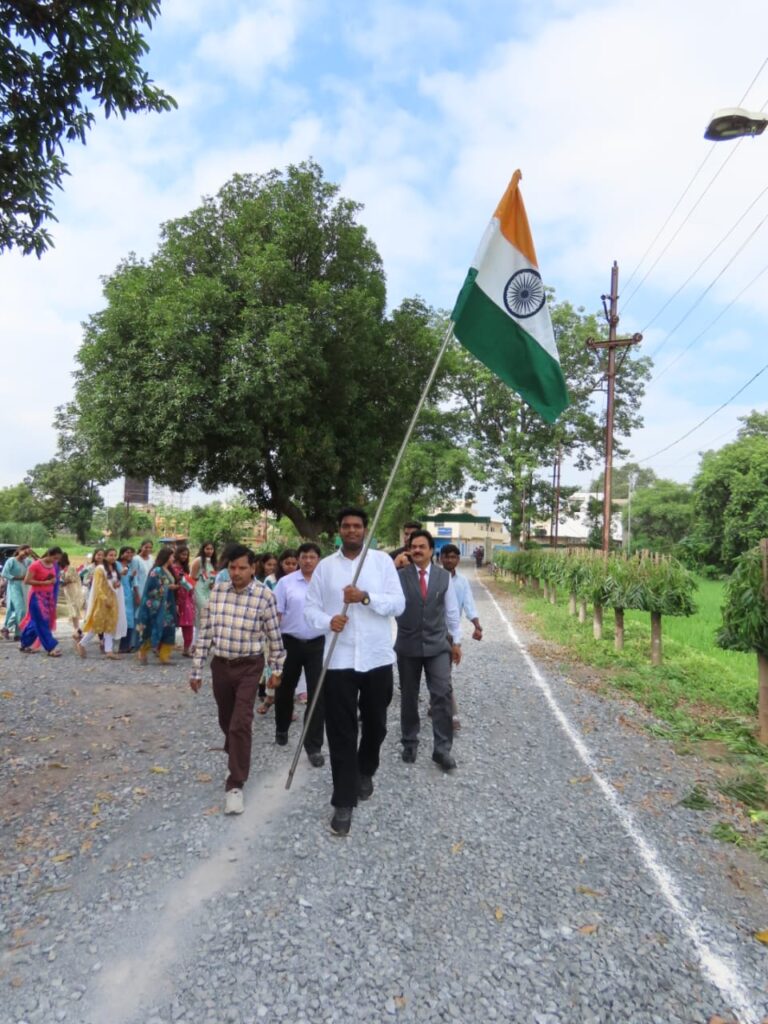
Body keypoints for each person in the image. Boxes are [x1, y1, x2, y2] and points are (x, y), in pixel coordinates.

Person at [304, 507, 405, 837]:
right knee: (341, 732)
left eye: (357, 526)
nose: (351, 530)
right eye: (346, 526)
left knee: (376, 725)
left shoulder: (381, 562)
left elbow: (398, 604)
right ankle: (343, 800)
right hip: (339, 659)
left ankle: (366, 769)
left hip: (376, 657)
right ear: (339, 530)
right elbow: (310, 608)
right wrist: (327, 621)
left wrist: (365, 598)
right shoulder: (325, 568)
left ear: (365, 530)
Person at [189, 545, 285, 815]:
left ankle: (235, 783)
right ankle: (235, 752)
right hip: (221, 665)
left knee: (240, 723)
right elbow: (206, 633)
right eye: (232, 567)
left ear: (253, 568)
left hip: (249, 667)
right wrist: (196, 670)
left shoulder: (265, 596)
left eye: (243, 567)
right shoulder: (218, 591)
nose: (237, 572)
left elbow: (275, 638)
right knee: (226, 720)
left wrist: (276, 671)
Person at [395, 529, 462, 771]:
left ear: (431, 550)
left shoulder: (443, 577)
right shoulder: (399, 576)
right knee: (409, 696)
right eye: (414, 547)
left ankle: (442, 749)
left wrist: (457, 642)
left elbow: (451, 611)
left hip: (437, 645)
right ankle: (409, 742)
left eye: (422, 546)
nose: (417, 550)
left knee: (442, 692)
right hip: (408, 645)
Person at [272, 542, 326, 764]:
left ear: (318, 560)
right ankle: (282, 727)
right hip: (290, 642)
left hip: (318, 644)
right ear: (298, 559)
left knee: (317, 693)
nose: (308, 561)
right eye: (304, 557)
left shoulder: (325, 583)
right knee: (285, 688)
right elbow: (276, 613)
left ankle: (313, 745)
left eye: (312, 557)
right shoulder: (285, 583)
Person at [438, 544, 483, 730]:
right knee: (440, 674)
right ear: (440, 558)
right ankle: (439, 706)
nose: (449, 560)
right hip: (432, 632)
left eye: (453, 557)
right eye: (446, 556)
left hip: (451, 636)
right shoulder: (434, 577)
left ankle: (450, 712)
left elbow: (469, 604)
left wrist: (477, 625)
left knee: (444, 674)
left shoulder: (462, 582)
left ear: (458, 559)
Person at [257, 549, 299, 714]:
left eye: (294, 563)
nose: (290, 566)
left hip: (292, 631)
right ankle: (269, 697)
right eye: (287, 563)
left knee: (290, 670)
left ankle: (288, 705)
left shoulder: (301, 580)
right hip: (274, 630)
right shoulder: (271, 580)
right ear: (281, 563)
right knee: (272, 664)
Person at [79, 548, 126, 659]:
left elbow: (113, 584)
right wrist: (105, 599)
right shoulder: (100, 569)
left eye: (115, 555)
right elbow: (98, 587)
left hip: (113, 600)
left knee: (110, 625)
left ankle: (108, 651)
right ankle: (82, 644)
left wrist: (118, 583)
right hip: (102, 602)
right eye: (110, 555)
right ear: (105, 556)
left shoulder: (114, 568)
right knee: (97, 625)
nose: (113, 557)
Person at [135, 547, 179, 664]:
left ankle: (164, 656)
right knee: (150, 627)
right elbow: (151, 588)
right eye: (172, 556)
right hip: (156, 606)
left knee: (168, 627)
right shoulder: (157, 570)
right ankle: (142, 653)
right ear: (166, 556)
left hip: (168, 604)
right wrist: (168, 587)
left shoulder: (168, 570)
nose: (173, 558)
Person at [19, 547, 63, 656]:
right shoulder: (36, 565)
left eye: (58, 559)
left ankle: (24, 642)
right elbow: (27, 580)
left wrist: (53, 581)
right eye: (55, 558)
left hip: (48, 597)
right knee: (42, 621)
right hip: (36, 596)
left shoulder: (53, 565)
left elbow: (53, 579)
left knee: (37, 622)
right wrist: (43, 583)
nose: (56, 561)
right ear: (49, 554)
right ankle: (51, 647)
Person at [1, 544, 31, 641]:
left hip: (25, 587)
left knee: (21, 610)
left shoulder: (27, 561)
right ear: (19, 550)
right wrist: (16, 578)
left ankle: (15, 632)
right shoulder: (11, 561)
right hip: (14, 586)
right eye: (25, 552)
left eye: (28, 554)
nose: (25, 555)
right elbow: (4, 573)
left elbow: (36, 567)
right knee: (20, 609)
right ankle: (10, 629)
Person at [171, 544, 196, 656]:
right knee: (169, 624)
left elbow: (189, 583)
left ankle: (186, 649)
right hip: (174, 598)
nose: (184, 557)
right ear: (177, 554)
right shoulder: (171, 567)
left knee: (188, 625)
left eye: (186, 555)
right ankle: (161, 649)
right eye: (182, 554)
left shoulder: (185, 568)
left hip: (186, 599)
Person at [118, 546, 139, 653]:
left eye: (132, 553)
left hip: (128, 596)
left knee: (129, 620)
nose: (130, 554)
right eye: (127, 552)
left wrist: (131, 577)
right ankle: (109, 644)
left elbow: (129, 582)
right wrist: (121, 573)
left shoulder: (130, 567)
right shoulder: (116, 565)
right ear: (122, 554)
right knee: (119, 619)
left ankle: (125, 645)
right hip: (118, 595)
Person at [59, 552, 85, 639]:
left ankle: (77, 630)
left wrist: (62, 581)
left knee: (74, 610)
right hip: (67, 591)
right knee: (72, 611)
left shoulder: (70, 568)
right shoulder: (61, 569)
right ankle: (77, 630)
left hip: (73, 591)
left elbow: (70, 579)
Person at [191, 541, 217, 628]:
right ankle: (198, 632)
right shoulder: (198, 560)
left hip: (209, 591)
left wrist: (212, 584)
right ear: (203, 549)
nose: (210, 551)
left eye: (211, 549)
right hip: (198, 590)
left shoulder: (213, 562)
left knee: (209, 615)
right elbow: (192, 577)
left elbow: (213, 577)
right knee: (201, 612)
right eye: (207, 549)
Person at [131, 539, 154, 604]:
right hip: (140, 590)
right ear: (141, 547)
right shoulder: (136, 559)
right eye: (146, 547)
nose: (148, 549)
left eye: (150, 548)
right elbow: (134, 578)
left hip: (150, 589)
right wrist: (137, 595)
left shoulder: (151, 558)